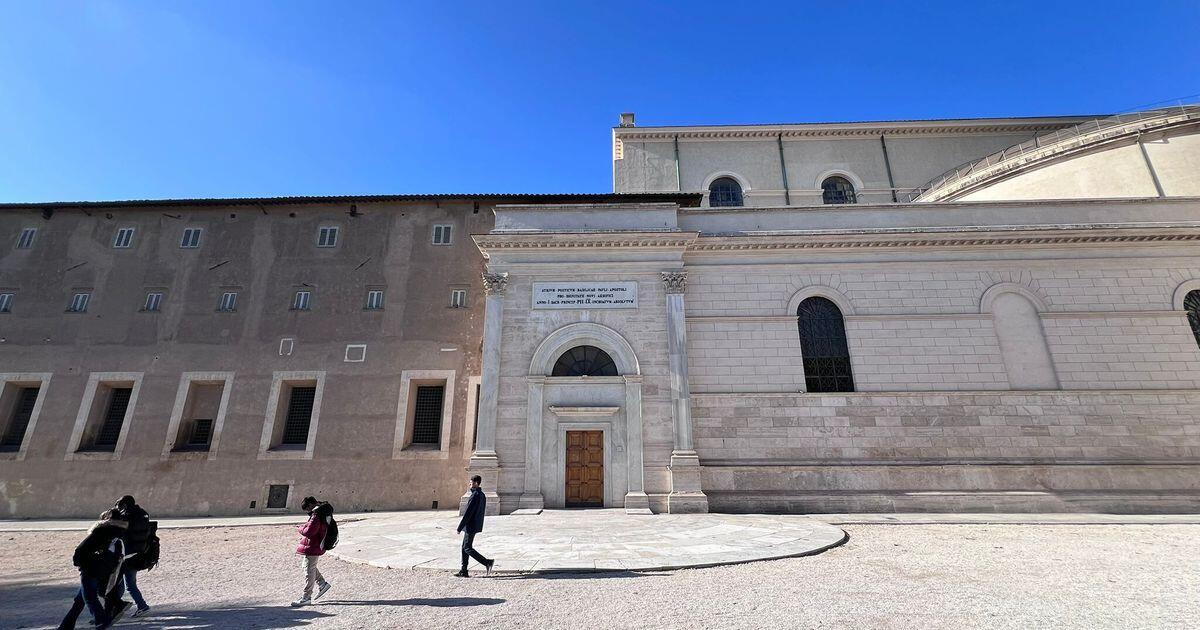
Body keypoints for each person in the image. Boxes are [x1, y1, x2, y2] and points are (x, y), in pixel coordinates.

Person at [58, 510, 129, 630]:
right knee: (79, 601)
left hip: (90, 570)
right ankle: (66, 626)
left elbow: (80, 550)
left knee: (90, 599)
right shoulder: (119, 534)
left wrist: (79, 563)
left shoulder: (100, 531)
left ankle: (102, 622)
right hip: (103, 571)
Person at [108, 495, 153, 618]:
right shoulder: (143, 514)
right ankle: (135, 606)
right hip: (139, 554)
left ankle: (140, 606)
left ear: (125, 505)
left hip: (126, 555)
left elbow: (116, 528)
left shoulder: (127, 517)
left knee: (123, 584)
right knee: (127, 583)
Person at [291, 496, 333, 607]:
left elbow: (310, 531)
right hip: (315, 544)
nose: (308, 512)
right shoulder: (322, 511)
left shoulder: (317, 514)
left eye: (307, 509)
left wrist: (300, 528)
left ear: (310, 505)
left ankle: (306, 597)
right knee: (308, 566)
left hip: (313, 545)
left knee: (309, 570)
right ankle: (322, 584)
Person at [455, 475, 494, 577]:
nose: (469, 484)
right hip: (475, 524)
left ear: (476, 483)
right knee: (464, 547)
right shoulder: (482, 495)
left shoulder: (475, 495)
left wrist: (460, 527)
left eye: (471, 483)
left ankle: (487, 562)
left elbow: (468, 513)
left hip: (471, 525)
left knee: (467, 547)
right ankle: (464, 570)